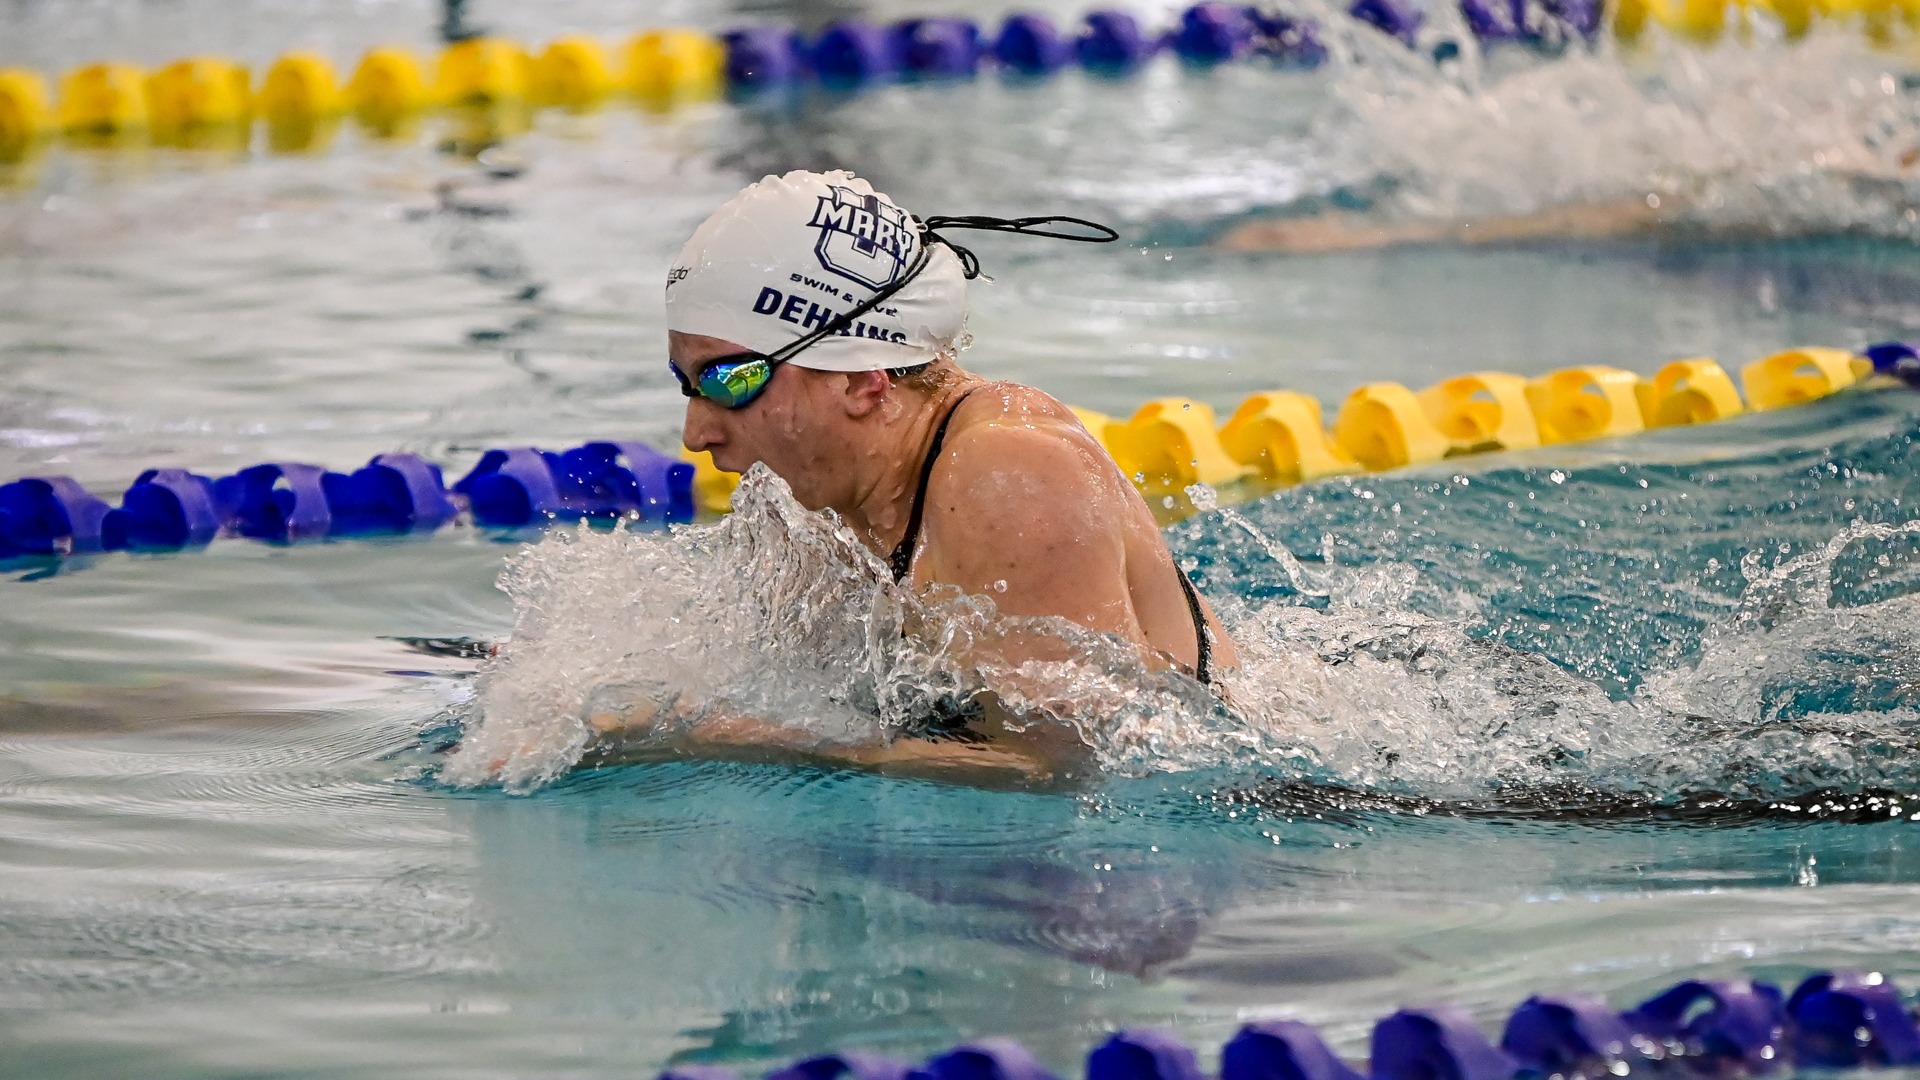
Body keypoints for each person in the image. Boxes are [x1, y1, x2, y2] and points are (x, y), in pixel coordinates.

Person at [596, 169, 1241, 783]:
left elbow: (1061, 765)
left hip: (1261, 794)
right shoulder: (811, 497)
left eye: (729, 380)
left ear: (857, 377)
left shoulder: (1010, 471)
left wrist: (717, 739)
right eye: (687, 384)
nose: (695, 432)